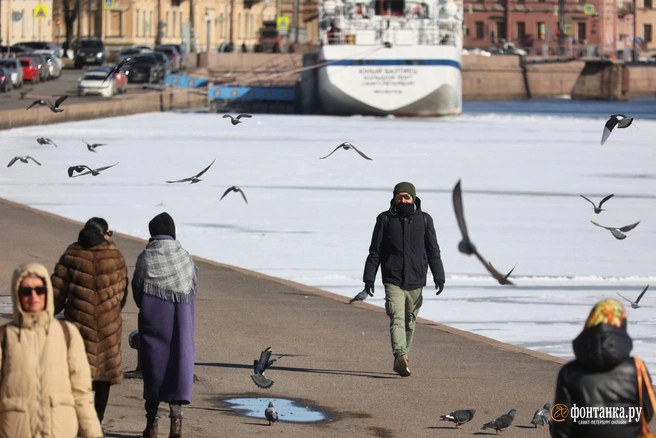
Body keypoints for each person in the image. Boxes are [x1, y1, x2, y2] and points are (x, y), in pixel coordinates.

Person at [0, 263, 103, 438]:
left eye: (39, 290)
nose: (33, 296)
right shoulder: (5, 337)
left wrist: (93, 434)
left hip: (59, 431)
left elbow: (82, 394)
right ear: (17, 295)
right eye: (26, 291)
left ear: (47, 293)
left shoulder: (67, 334)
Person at [51, 217, 129, 428]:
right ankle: (97, 421)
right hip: (107, 328)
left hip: (78, 327)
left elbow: (56, 293)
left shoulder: (72, 254)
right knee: (103, 376)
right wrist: (110, 312)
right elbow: (122, 295)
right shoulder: (115, 256)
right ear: (103, 233)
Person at [363, 182, 445, 377]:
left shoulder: (424, 220)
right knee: (397, 318)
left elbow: (433, 250)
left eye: (406, 197)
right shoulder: (384, 219)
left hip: (416, 279)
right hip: (393, 278)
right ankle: (400, 354)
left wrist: (439, 275)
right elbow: (375, 251)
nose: (403, 201)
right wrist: (369, 277)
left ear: (413, 198)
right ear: (394, 198)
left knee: (410, 321)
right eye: (399, 197)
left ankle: (403, 359)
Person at [132, 212, 197, 438]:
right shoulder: (185, 258)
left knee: (153, 371)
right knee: (178, 369)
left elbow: (138, 292)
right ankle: (176, 424)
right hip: (181, 326)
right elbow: (193, 290)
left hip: (153, 325)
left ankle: (152, 425)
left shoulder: (146, 257)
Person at [550, 298, 655, 438]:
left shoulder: (569, 372)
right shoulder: (636, 368)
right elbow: (648, 410)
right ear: (621, 323)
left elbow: (560, 419)